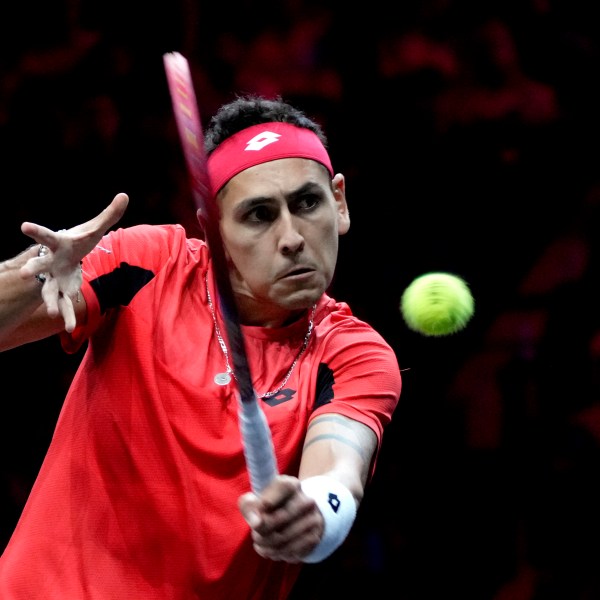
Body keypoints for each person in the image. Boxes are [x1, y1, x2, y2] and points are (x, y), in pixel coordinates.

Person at [0, 94, 402, 599]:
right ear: (213, 230)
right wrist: (34, 273)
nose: (292, 237)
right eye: (259, 215)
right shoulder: (149, 266)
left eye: (307, 203)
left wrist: (315, 511)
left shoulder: (352, 354)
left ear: (338, 202)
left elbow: (340, 470)